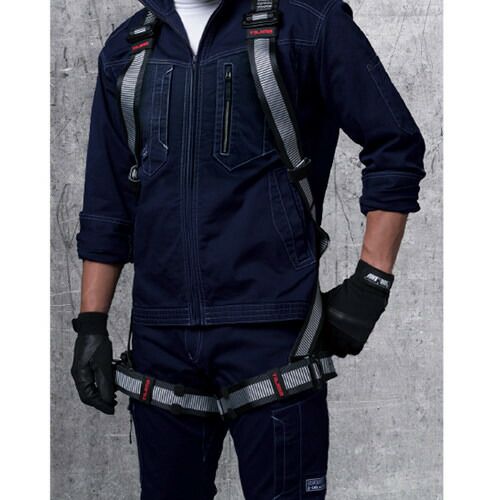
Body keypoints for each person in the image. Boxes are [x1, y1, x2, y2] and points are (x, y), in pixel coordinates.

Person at [70, 0, 426, 498]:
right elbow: (107, 203)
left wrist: (372, 282)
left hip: (274, 335)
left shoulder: (307, 24)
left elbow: (395, 144)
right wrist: (91, 324)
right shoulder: (127, 50)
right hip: (161, 340)